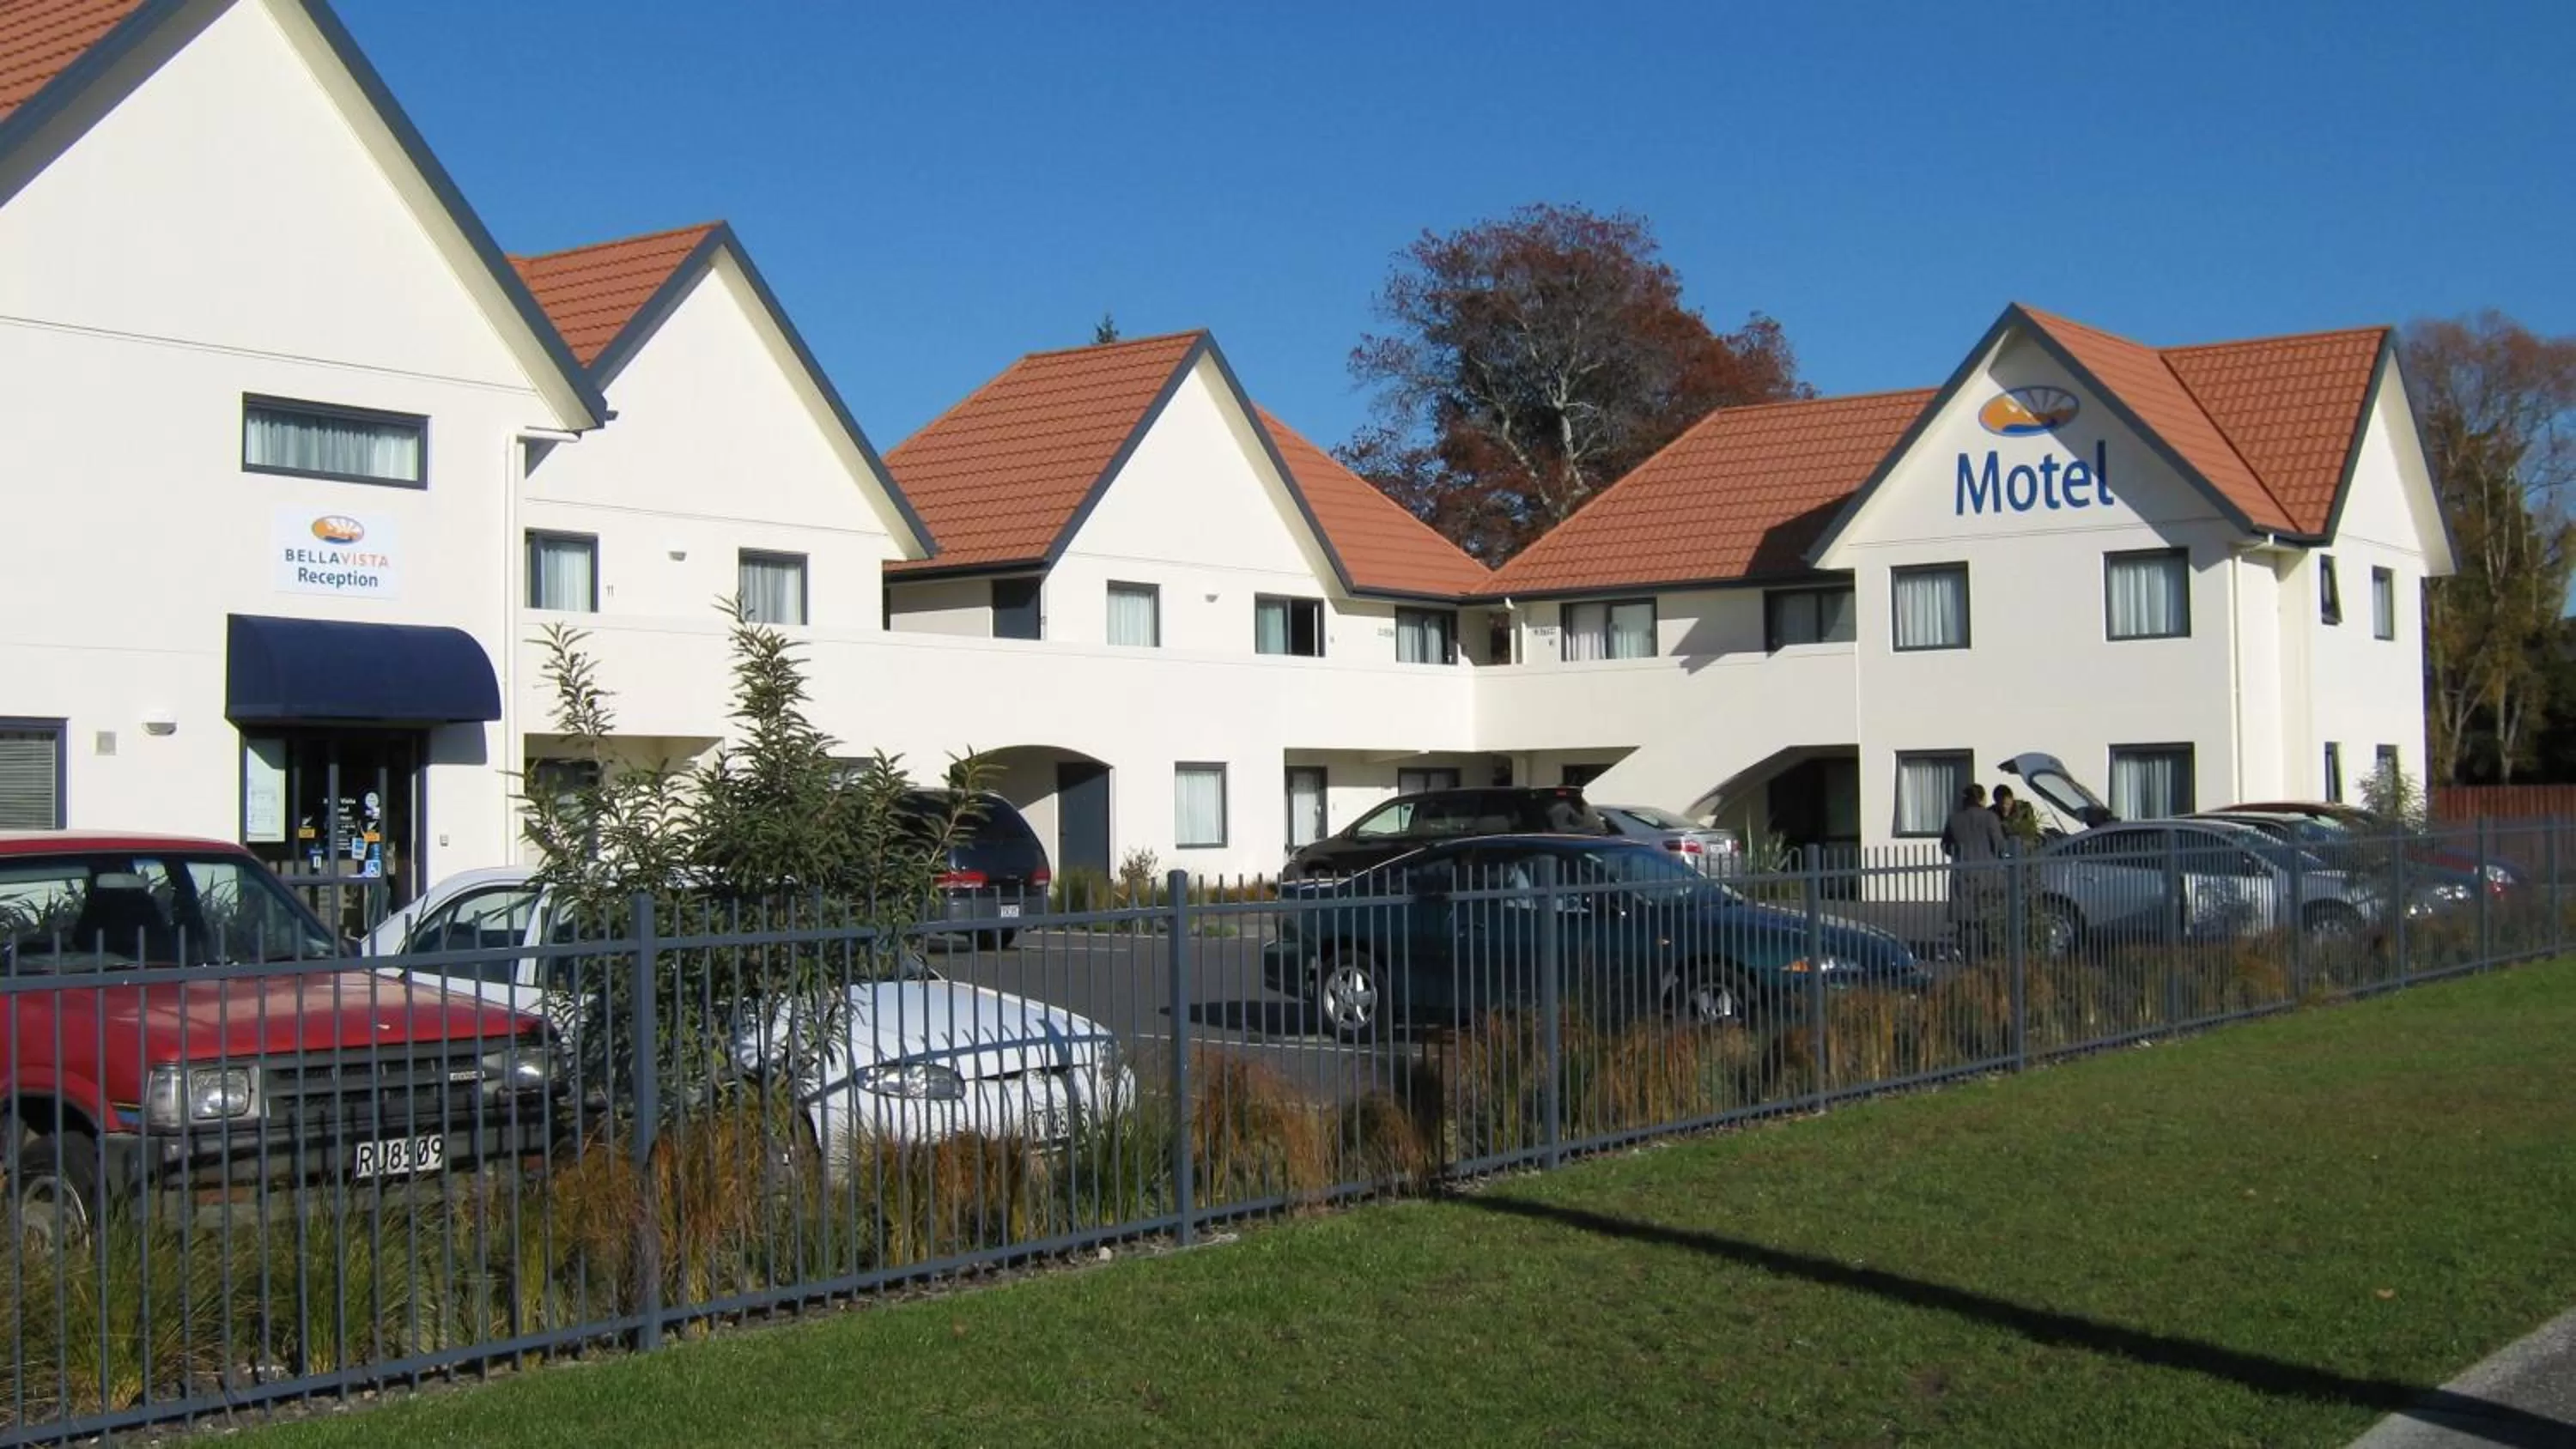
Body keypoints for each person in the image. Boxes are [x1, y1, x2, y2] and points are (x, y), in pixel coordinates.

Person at [1941, 783, 2008, 957]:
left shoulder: (1954, 819)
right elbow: (2000, 845)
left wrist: (1960, 852)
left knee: (1965, 920)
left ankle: (1968, 954)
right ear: (1982, 799)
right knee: (1988, 917)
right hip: (1988, 873)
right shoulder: (1990, 818)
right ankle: (1987, 954)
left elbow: (1946, 846)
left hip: (1963, 873)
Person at [1993, 784, 2043, 854]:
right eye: (2000, 804)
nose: (2004, 807)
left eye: (2007, 804)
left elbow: (2031, 830)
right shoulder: (1991, 812)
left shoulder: (2024, 808)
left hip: (2024, 848)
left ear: (2012, 799)